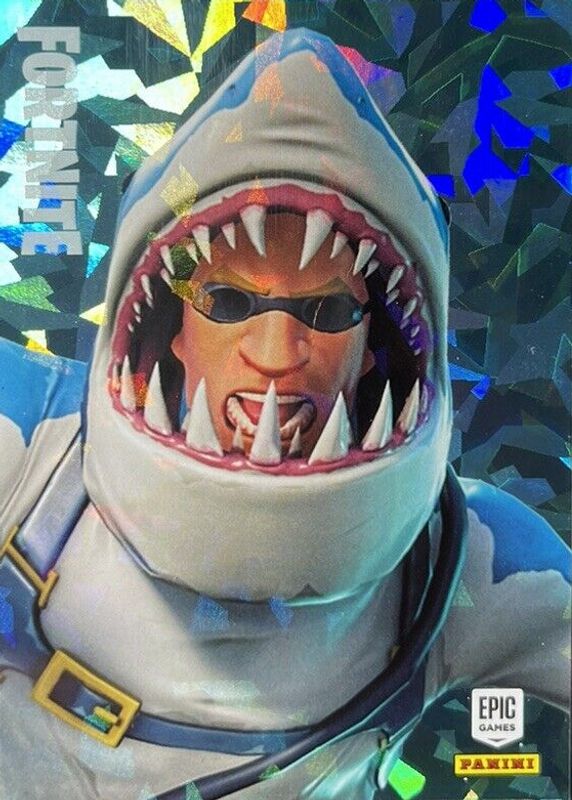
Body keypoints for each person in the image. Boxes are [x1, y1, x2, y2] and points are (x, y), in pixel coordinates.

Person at [0, 28, 569, 800]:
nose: (275, 354)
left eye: (328, 311)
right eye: (229, 301)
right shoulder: (26, 447)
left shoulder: (462, 562)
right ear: (171, 328)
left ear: (371, 349)